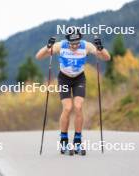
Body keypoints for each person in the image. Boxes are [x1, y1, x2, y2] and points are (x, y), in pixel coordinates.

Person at [35, 27, 110, 155]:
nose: (74, 46)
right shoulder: (61, 46)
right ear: (67, 41)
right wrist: (47, 47)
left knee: (78, 106)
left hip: (79, 79)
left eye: (76, 43)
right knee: (68, 108)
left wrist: (101, 48)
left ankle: (77, 141)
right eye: (72, 44)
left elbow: (107, 57)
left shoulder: (86, 46)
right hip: (64, 79)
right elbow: (39, 56)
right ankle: (64, 140)